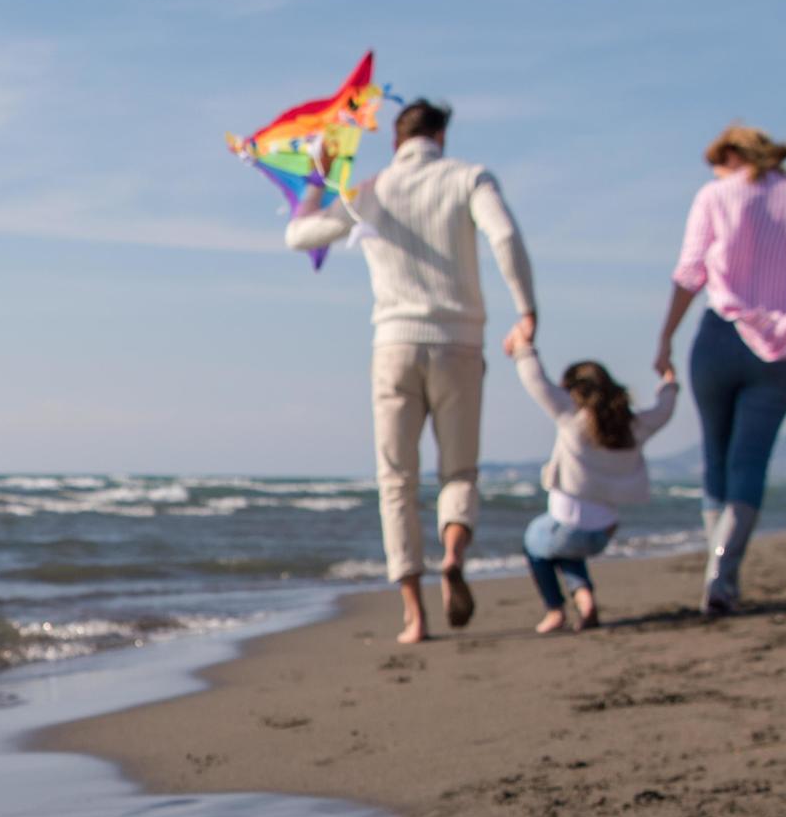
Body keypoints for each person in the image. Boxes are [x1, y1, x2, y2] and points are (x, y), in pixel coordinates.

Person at [284, 97, 541, 645]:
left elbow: (297, 235)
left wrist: (320, 174)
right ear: (440, 137)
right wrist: (526, 309)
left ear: (396, 140)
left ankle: (414, 615)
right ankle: (452, 554)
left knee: (396, 480)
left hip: (394, 343)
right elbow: (505, 237)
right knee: (459, 471)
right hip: (460, 342)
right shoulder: (469, 177)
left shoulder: (370, 190)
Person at [654, 124, 786, 615]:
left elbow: (689, 272)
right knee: (749, 463)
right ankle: (723, 575)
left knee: (716, 459)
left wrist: (665, 337)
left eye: (717, 163)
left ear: (734, 155)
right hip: (780, 346)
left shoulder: (717, 196)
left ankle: (715, 577)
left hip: (720, 336)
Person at [512, 351, 677, 634]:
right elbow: (664, 410)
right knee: (566, 552)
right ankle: (585, 600)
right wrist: (669, 381)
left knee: (535, 545)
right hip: (604, 531)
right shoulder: (631, 426)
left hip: (566, 526)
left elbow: (536, 381)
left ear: (575, 391)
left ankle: (554, 610)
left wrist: (523, 350)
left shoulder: (573, 419)